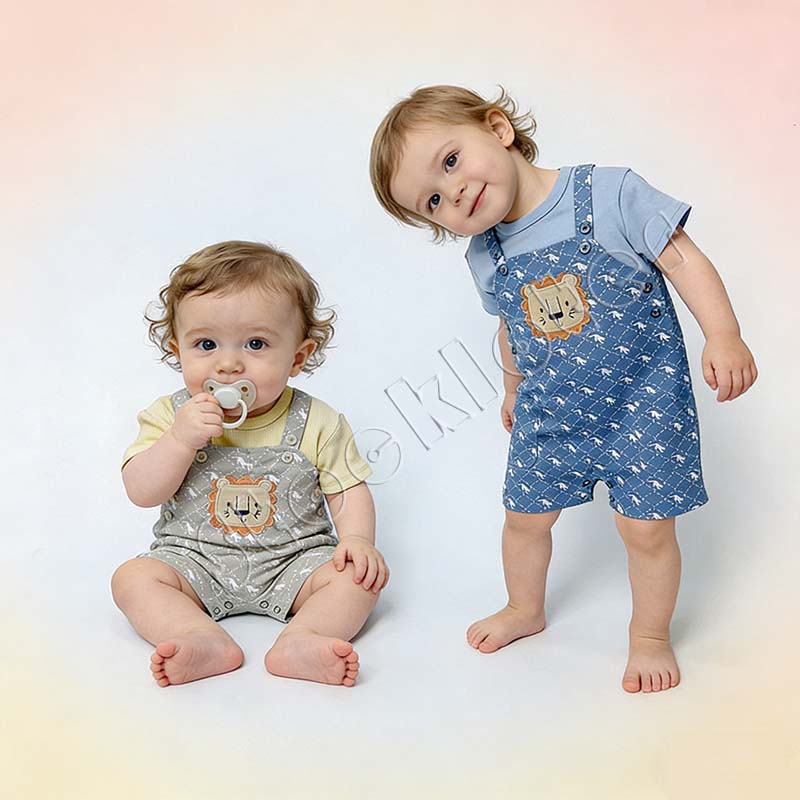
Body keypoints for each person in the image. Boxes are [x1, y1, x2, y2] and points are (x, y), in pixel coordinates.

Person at [369, 85, 756, 693]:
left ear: (498, 128)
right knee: (523, 519)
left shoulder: (610, 192)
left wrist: (723, 335)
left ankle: (649, 636)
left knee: (646, 530)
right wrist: (512, 387)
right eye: (433, 201)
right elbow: (510, 324)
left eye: (451, 161)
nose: (455, 192)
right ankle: (524, 607)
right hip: (551, 410)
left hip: (644, 405)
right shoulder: (486, 255)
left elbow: (683, 260)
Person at [112, 241, 388, 688]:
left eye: (255, 343)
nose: (227, 365)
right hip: (194, 561)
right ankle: (198, 636)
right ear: (177, 350)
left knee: (359, 580)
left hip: (295, 563)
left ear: (297, 357)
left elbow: (347, 489)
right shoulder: (169, 416)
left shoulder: (318, 421)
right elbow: (142, 491)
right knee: (133, 578)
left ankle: (304, 638)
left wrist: (357, 540)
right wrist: (180, 440)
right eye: (205, 344)